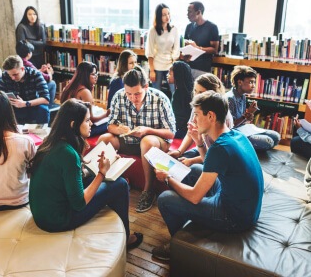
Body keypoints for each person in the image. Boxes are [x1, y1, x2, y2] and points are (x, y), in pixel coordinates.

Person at [152, 90, 264, 261]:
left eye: (196, 115)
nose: (194, 120)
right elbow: (210, 163)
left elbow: (195, 197)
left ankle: (180, 247)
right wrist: (199, 142)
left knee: (165, 199)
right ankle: (194, 222)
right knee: (195, 170)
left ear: (211, 116)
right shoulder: (234, 135)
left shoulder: (220, 148)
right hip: (246, 208)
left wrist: (167, 178)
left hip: (234, 218)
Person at [29, 98, 143, 249]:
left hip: (41, 215)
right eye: (87, 120)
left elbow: (68, 175)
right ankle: (126, 238)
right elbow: (78, 203)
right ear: (73, 124)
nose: (91, 124)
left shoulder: (49, 143)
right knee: (120, 184)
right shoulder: (68, 154)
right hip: (58, 220)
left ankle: (116, 231)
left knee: (93, 175)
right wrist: (101, 174)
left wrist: (97, 169)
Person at [97, 66, 176, 213]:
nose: (133, 98)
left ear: (146, 86)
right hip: (128, 141)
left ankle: (148, 190)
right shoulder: (119, 96)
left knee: (146, 141)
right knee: (104, 139)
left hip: (155, 143)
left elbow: (171, 133)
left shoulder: (160, 99)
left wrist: (147, 131)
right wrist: (119, 129)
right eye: (129, 94)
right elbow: (110, 126)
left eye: (137, 94)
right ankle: (104, 182)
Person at [169, 73, 233, 166]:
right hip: (204, 147)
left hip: (216, 155)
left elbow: (216, 154)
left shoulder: (222, 115)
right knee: (178, 159)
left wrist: (191, 161)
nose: (196, 96)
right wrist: (179, 151)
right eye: (195, 91)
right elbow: (190, 132)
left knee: (191, 167)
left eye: (201, 92)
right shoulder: (199, 106)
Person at [226, 65, 280, 151]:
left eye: (254, 82)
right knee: (268, 142)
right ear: (240, 82)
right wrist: (246, 115)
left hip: (244, 128)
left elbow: (243, 121)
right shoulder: (230, 99)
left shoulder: (242, 96)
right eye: (251, 82)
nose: (254, 86)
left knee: (276, 136)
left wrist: (249, 115)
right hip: (234, 133)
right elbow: (230, 127)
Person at [60, 61, 110, 136]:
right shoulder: (84, 91)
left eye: (97, 74)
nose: (96, 76)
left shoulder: (69, 86)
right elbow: (91, 119)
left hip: (66, 126)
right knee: (109, 123)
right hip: (77, 130)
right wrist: (106, 114)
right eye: (93, 74)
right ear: (85, 75)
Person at [0, 55, 50, 125]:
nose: (12, 78)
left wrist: (25, 103)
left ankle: (41, 132)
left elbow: (46, 99)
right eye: (10, 75)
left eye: (15, 74)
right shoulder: (5, 75)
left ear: (22, 69)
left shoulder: (35, 74)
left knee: (43, 109)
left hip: (32, 105)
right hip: (14, 107)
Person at [145, 3, 180, 94]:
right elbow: (150, 52)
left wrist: (173, 67)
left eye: (168, 13)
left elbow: (176, 50)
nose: (167, 16)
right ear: (159, 16)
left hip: (170, 65)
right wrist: (152, 71)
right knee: (156, 93)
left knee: (175, 91)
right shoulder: (153, 30)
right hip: (157, 65)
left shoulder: (174, 29)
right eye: (164, 15)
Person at [16, 40, 58, 108]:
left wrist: (40, 70)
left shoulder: (17, 61)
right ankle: (49, 106)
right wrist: (50, 72)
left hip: (21, 92)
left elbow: (29, 73)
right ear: (29, 53)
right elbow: (47, 78)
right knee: (52, 83)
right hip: (32, 92)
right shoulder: (27, 63)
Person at [182, 1, 219, 75]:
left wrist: (198, 48)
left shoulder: (212, 27)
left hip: (202, 68)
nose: (187, 14)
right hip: (188, 67)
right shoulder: (189, 27)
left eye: (190, 12)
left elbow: (214, 50)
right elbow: (186, 47)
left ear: (198, 12)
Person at [168, 61, 194, 138]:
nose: (167, 76)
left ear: (177, 75)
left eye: (170, 73)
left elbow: (177, 120)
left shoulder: (179, 94)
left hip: (183, 132)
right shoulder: (190, 90)